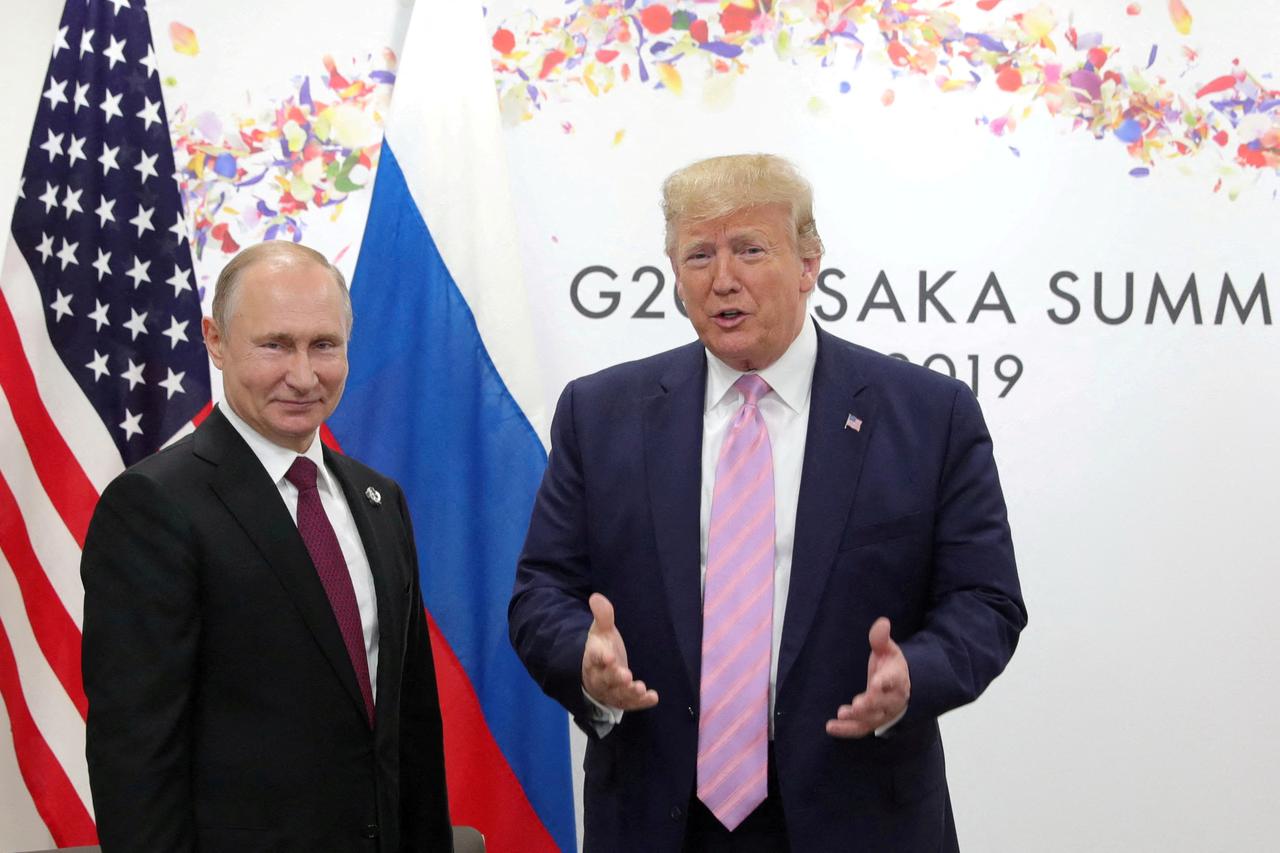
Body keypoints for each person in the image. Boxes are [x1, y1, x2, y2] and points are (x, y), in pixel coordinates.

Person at [509, 154, 1027, 852]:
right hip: (659, 816)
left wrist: (916, 672)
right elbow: (542, 592)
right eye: (699, 254)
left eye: (750, 250)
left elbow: (985, 601)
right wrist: (583, 658)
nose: (723, 278)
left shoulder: (928, 416)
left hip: (860, 813)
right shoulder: (599, 415)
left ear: (809, 263)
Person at [81, 242, 453, 852]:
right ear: (216, 340)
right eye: (275, 345)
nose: (304, 376)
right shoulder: (153, 506)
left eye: (324, 345)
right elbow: (135, 757)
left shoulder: (379, 500)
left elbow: (412, 730)